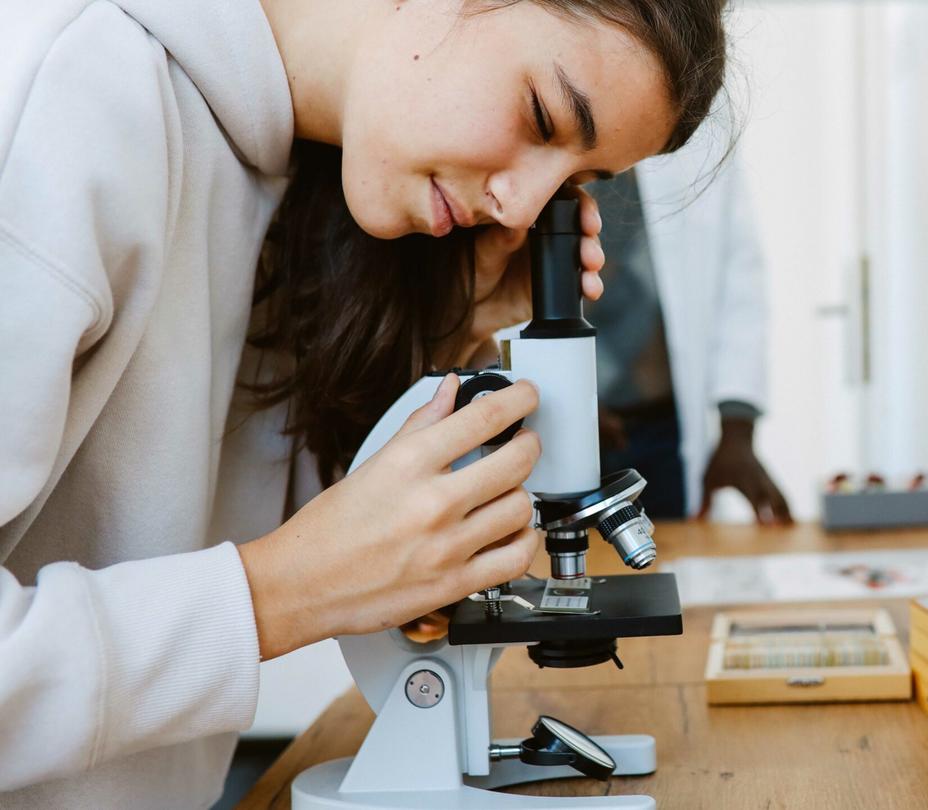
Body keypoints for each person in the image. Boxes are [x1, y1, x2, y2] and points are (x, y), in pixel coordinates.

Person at [0, 0, 728, 806]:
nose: (520, 210)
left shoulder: (288, 169)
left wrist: (458, 328)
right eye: (540, 114)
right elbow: (285, 566)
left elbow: (231, 522)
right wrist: (281, 592)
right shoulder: (65, 100)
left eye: (575, 184)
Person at [583, 147, 792, 523]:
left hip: (666, 430)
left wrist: (737, 428)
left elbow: (739, 282)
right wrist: (564, 402)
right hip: (565, 430)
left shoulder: (706, 130)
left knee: (672, 568)